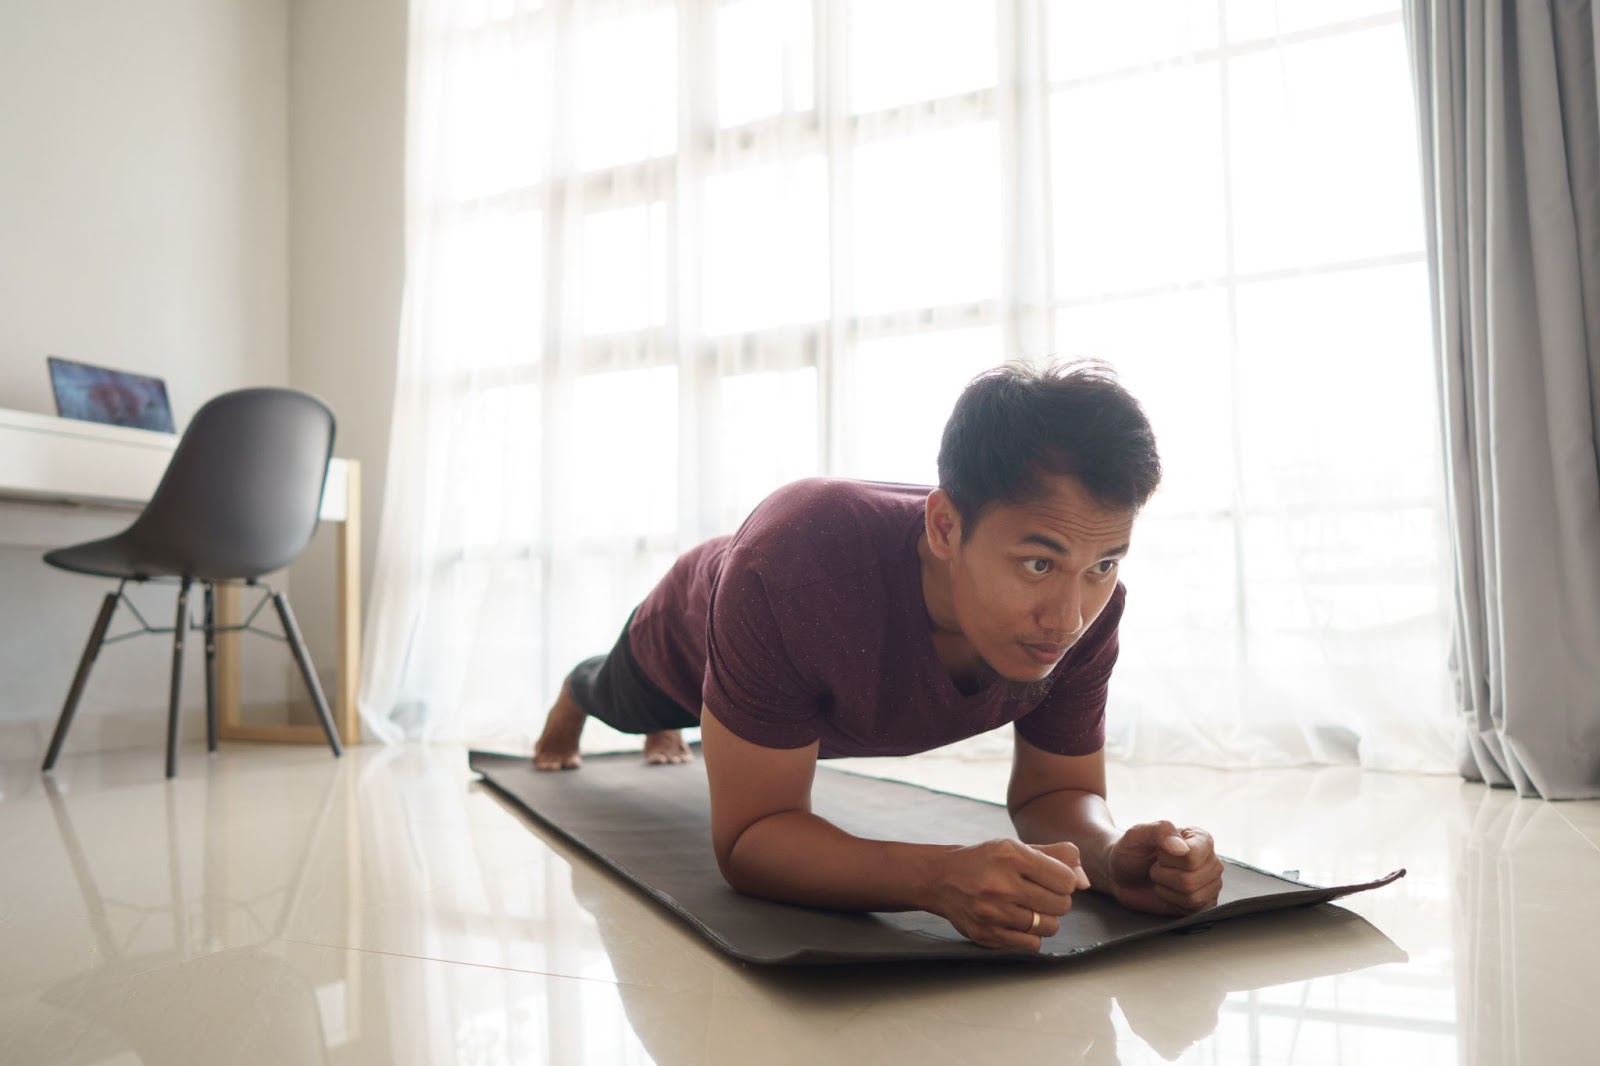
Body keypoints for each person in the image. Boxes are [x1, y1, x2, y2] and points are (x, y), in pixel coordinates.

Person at [533, 360, 1224, 951]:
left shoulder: (1088, 608)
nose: (1070, 618)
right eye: (1039, 564)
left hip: (787, 658)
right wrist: (935, 877)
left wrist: (1109, 857)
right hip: (691, 629)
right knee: (623, 701)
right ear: (946, 527)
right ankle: (576, 695)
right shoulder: (789, 567)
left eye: (1103, 563)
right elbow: (749, 840)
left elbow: (1055, 791)